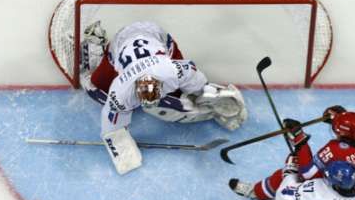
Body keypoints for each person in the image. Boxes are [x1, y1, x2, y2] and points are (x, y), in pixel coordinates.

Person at [79, 21, 247, 175]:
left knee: (182, 90)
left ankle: (212, 97)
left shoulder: (172, 70)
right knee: (96, 86)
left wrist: (203, 90)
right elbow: (111, 124)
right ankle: (94, 44)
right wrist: (120, 146)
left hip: (155, 34)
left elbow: (193, 75)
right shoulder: (121, 88)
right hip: (120, 40)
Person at [229, 106, 355, 200]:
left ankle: (256, 192)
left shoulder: (336, 150)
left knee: (292, 168)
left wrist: (300, 139)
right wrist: (342, 118)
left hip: (344, 197)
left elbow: (307, 174)